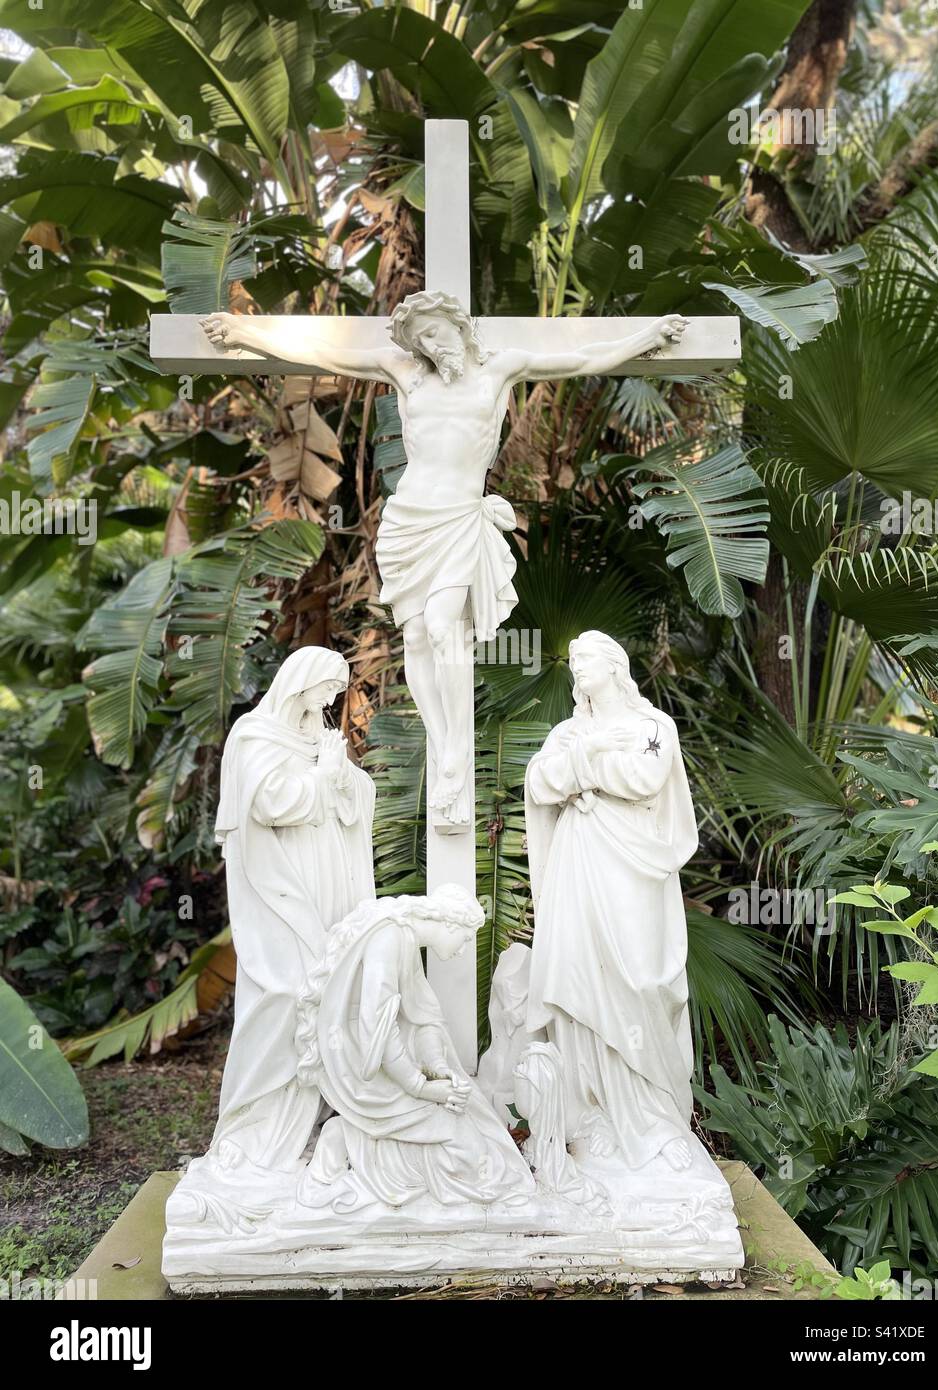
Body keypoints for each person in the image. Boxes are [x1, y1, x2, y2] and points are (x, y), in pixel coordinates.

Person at [201, 295, 688, 824]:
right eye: (421, 341)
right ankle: (441, 739)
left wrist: (647, 337)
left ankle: (457, 744)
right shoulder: (405, 373)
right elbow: (322, 353)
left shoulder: (501, 368)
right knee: (414, 636)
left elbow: (582, 359)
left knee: (441, 626)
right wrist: (247, 334)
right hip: (410, 520)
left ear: (457, 325)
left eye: (436, 333)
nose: (431, 347)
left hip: (459, 518)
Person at [524, 631, 699, 1174]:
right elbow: (539, 781)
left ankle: (653, 1119)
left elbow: (644, 777)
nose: (575, 668)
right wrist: (586, 760)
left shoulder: (652, 727)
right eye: (572, 661)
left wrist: (585, 768)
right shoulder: (569, 731)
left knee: (640, 981)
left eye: (584, 660)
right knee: (580, 975)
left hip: (633, 871)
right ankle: (592, 1116)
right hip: (580, 864)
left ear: (615, 668)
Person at [208, 646, 375, 1172]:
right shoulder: (255, 735)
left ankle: (316, 1124)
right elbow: (269, 803)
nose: (332, 699)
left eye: (337, 690)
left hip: (329, 876)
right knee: (284, 992)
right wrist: (324, 779)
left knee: (332, 990)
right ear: (300, 682)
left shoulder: (319, 738)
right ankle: (254, 1128)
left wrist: (343, 776)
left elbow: (357, 794)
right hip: (282, 878)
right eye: (327, 688)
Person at [294, 884, 535, 1209]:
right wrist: (421, 1087)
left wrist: (440, 1068)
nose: (463, 949)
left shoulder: (403, 938)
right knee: (470, 1150)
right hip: (360, 1065)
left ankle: (359, 1145)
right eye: (465, 938)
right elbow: (375, 1026)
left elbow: (423, 1017)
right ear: (450, 923)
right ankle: (347, 1142)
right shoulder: (389, 938)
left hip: (386, 1058)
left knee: (474, 1131)